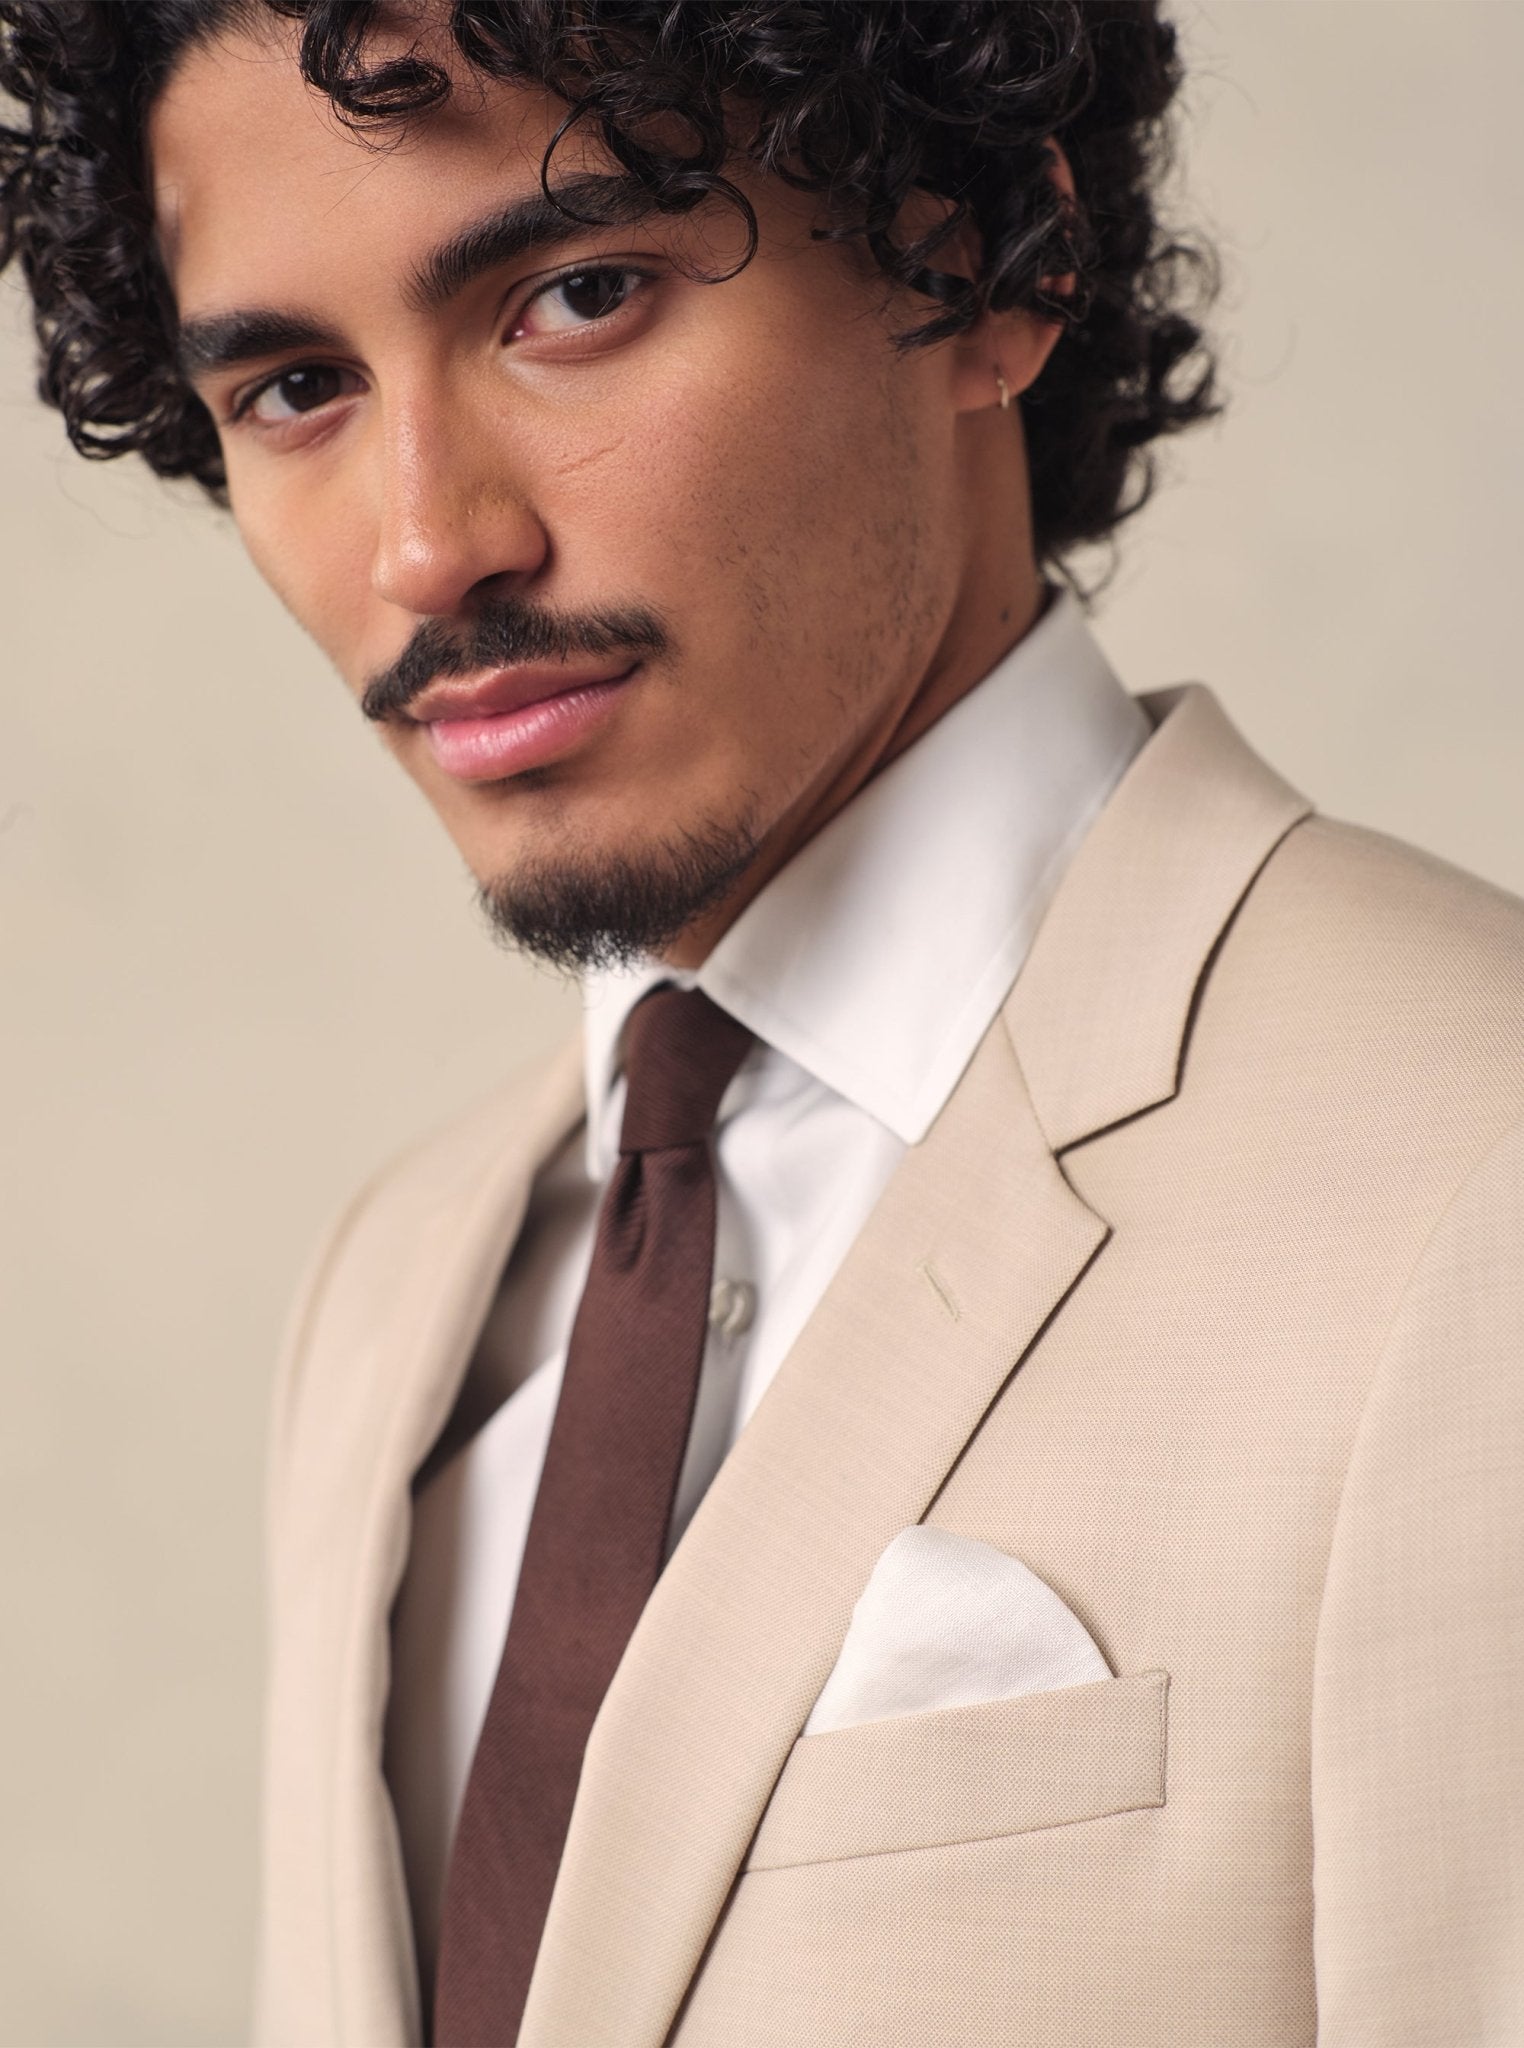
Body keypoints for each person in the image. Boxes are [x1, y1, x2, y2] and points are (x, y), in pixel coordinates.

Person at [4, 1, 1522, 2042]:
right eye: (295, 387)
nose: (429, 543)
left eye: (580, 293)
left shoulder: (1470, 1176)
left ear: (988, 261)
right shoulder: (394, 1292)